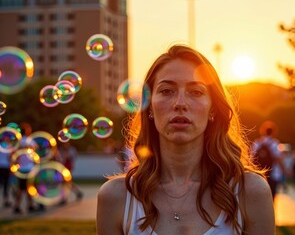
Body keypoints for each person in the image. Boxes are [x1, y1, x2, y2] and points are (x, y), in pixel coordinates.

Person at [97, 44, 274, 234]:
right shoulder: (116, 198)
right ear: (149, 106)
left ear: (212, 109)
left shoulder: (251, 192)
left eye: (196, 92)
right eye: (166, 91)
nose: (180, 104)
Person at [251, 121, 290, 200]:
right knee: (271, 198)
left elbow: (251, 159)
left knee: (259, 199)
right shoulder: (275, 144)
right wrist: (286, 171)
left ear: (262, 131)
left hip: (259, 175)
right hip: (273, 175)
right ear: (274, 132)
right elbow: (279, 159)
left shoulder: (257, 143)